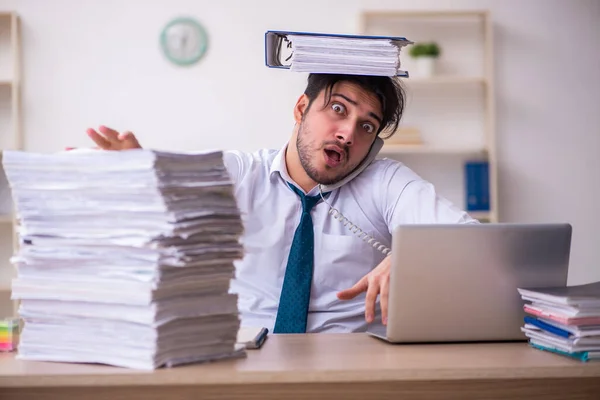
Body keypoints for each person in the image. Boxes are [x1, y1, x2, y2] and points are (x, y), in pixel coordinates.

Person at [86, 73, 477, 334]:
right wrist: (136, 172)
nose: (347, 134)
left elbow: (472, 240)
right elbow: (171, 183)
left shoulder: (385, 181)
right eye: (338, 109)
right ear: (301, 109)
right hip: (248, 361)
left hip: (353, 371)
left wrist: (415, 252)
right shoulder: (242, 172)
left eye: (367, 126)